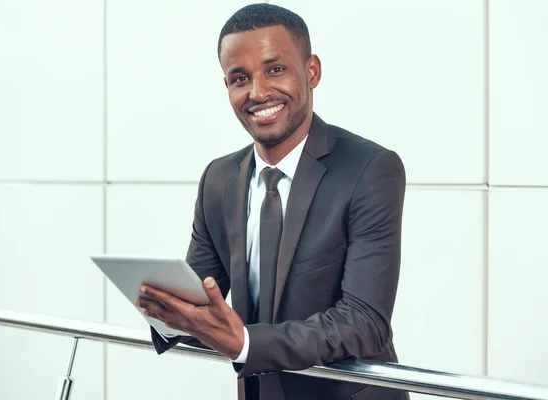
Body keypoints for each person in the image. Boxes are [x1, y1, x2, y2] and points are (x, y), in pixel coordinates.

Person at [135, 4, 408, 399]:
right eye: (239, 78)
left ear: (311, 70)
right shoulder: (219, 179)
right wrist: (169, 315)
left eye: (275, 69)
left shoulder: (369, 169)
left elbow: (364, 323)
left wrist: (245, 343)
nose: (258, 92)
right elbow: (200, 300)